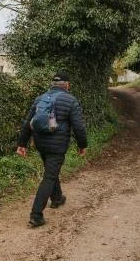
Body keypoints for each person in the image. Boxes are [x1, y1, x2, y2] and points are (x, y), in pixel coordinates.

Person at [17, 71, 88, 227]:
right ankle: (36, 215)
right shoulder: (70, 100)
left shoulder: (40, 99)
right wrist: (82, 146)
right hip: (57, 145)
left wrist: (22, 144)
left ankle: (57, 198)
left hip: (41, 143)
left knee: (51, 171)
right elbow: (79, 127)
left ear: (53, 84)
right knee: (49, 176)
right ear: (67, 85)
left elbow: (27, 122)